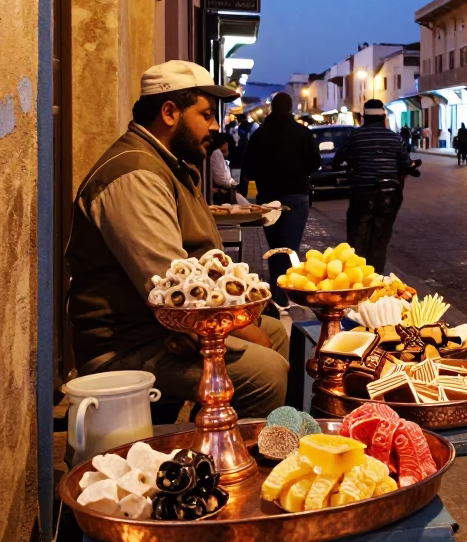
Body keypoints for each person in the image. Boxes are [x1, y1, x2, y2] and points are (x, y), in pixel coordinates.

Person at [66, 61, 289, 417]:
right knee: (265, 371)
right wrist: (247, 334)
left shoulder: (165, 163)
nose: (214, 127)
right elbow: (176, 291)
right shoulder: (136, 174)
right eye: (205, 114)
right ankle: (234, 465)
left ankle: (236, 442)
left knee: (275, 332)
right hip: (126, 346)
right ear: (170, 112)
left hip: (155, 330)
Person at [239, 92, 321, 303]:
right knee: (289, 248)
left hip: (268, 197)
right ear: (290, 107)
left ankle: (277, 294)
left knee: (275, 248)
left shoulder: (259, 135)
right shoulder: (302, 133)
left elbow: (248, 167)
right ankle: (283, 295)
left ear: (272, 109)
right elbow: (315, 163)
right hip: (296, 195)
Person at [332, 99, 420, 272]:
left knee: (356, 241)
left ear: (364, 117)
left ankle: (358, 281)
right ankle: (376, 281)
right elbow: (405, 164)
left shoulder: (354, 136)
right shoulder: (395, 138)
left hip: (362, 194)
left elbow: (338, 160)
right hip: (389, 196)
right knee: (380, 240)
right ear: (383, 118)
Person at [208, 132, 238, 204]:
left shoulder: (219, 154)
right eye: (226, 145)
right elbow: (220, 178)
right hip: (221, 191)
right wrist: (231, 183)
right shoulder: (217, 153)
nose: (227, 147)